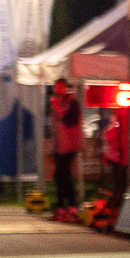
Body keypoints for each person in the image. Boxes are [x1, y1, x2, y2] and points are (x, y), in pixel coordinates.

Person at [49, 78, 83, 210]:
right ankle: (63, 201)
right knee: (59, 174)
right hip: (58, 144)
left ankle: (71, 202)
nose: (59, 89)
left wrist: (57, 107)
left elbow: (70, 121)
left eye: (61, 86)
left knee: (63, 173)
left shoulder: (72, 102)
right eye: (57, 87)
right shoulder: (56, 101)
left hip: (69, 144)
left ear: (66, 87)